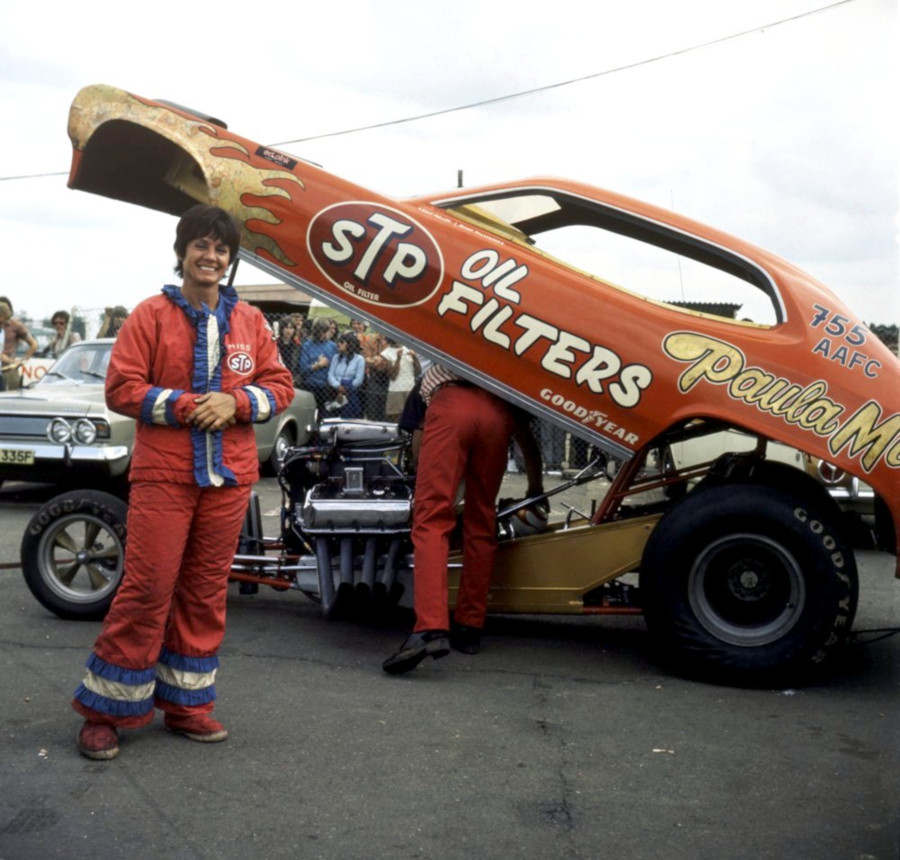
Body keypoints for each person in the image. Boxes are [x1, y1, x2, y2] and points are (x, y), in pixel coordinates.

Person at [72, 204, 295, 761]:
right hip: (163, 478)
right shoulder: (149, 314)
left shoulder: (251, 322)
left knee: (202, 594)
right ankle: (106, 711)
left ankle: (187, 706)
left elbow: (281, 387)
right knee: (146, 590)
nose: (211, 257)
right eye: (201, 246)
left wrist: (238, 402)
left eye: (221, 249)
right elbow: (122, 388)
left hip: (229, 481)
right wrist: (192, 405)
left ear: (230, 258)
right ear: (182, 252)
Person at [383, 366, 519, 675]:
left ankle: (430, 627)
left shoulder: (435, 368)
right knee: (482, 518)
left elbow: (417, 441)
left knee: (431, 517)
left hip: (452, 402)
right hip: (499, 408)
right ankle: (470, 627)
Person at [299, 317, 338, 414]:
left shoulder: (333, 346)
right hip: (310, 385)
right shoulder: (307, 345)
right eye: (323, 331)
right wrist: (318, 365)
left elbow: (336, 368)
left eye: (327, 331)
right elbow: (303, 369)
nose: (325, 334)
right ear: (316, 331)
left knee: (325, 414)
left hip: (326, 387)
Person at [326, 331, 365, 418]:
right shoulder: (336, 357)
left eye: (342, 342)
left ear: (349, 344)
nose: (338, 344)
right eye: (338, 342)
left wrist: (345, 388)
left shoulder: (359, 359)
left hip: (350, 392)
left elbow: (358, 380)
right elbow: (330, 375)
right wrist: (338, 386)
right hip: (334, 390)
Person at [0, 300, 37, 391]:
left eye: (4, 323)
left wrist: (23, 360)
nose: (2, 325)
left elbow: (33, 344)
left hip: (9, 369)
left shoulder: (15, 326)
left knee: (10, 397)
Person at [381, 339, 421, 422]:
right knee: (396, 419)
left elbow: (418, 372)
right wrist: (398, 359)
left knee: (412, 417)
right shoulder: (385, 353)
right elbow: (393, 376)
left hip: (410, 388)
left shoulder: (407, 349)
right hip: (396, 390)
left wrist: (415, 358)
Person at [276, 316, 302, 386]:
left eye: (291, 328)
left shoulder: (297, 345)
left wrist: (295, 379)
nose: (289, 331)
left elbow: (299, 366)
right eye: (286, 328)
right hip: (277, 376)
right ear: (281, 329)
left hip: (292, 377)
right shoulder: (275, 344)